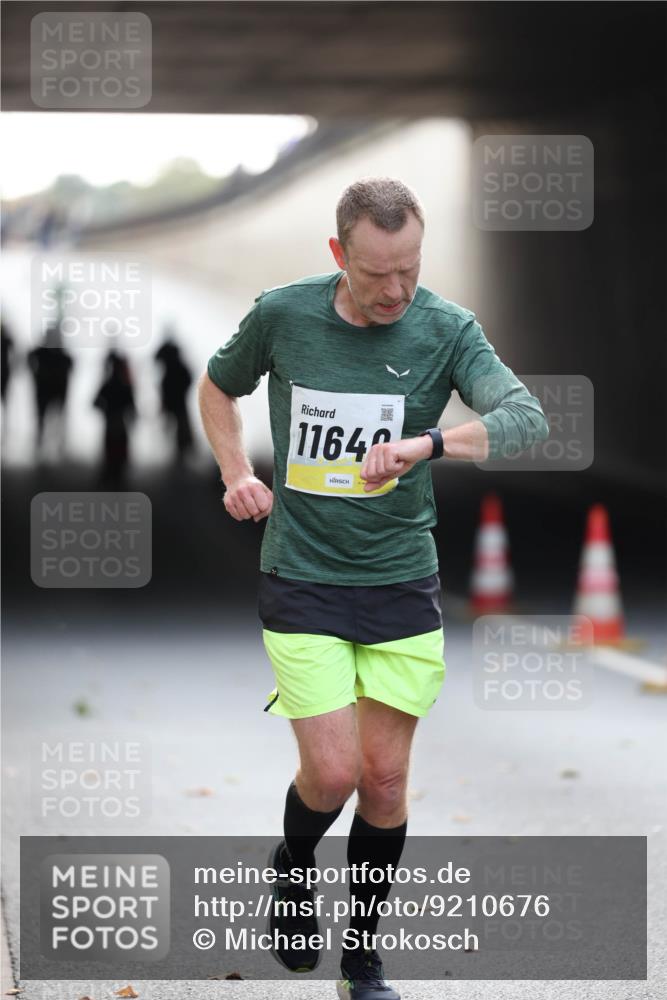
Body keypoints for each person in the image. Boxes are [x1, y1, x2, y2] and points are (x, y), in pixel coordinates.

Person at [198, 177, 549, 999]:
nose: (396, 289)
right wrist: (236, 471)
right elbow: (220, 387)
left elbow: (524, 416)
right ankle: (292, 867)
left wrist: (427, 442)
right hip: (303, 573)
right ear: (337, 256)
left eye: (410, 269)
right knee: (331, 774)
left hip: (398, 579)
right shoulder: (283, 314)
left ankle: (362, 956)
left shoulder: (443, 326)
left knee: (384, 781)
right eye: (376, 272)